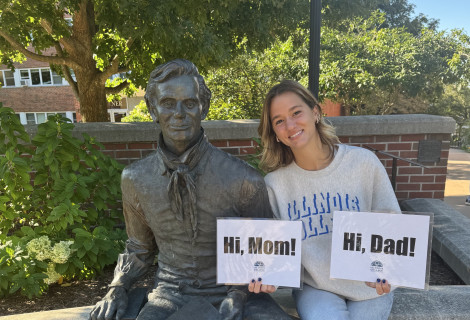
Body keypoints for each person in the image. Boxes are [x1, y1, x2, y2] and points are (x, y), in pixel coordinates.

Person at [89, 59, 290, 320]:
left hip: (236, 295)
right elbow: (138, 247)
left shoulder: (243, 178)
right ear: (152, 109)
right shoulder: (135, 179)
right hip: (170, 296)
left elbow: (263, 249)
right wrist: (117, 287)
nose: (179, 113)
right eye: (168, 103)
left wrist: (238, 293)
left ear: (203, 107)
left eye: (190, 103)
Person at [250, 80, 401, 320]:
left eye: (296, 112)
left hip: (370, 285)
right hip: (316, 287)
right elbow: (275, 252)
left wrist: (390, 269)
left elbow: (393, 226)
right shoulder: (275, 185)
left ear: (316, 113)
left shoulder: (363, 163)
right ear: (275, 133)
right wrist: (266, 276)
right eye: (279, 121)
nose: (290, 125)